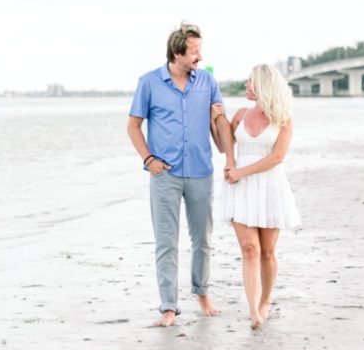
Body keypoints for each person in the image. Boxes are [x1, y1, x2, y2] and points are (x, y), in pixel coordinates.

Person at [127, 22, 232, 327]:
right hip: (165, 176)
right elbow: (133, 126)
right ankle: (169, 307)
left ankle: (202, 293)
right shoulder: (148, 83)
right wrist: (148, 159)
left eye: (200, 50)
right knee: (166, 242)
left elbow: (221, 136)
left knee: (202, 239)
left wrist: (222, 122)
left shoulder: (208, 82)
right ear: (177, 53)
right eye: (195, 52)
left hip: (201, 172)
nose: (200, 56)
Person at [217, 63, 301, 330]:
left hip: (269, 188)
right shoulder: (240, 115)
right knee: (249, 249)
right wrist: (215, 120)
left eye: (250, 82)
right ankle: (253, 309)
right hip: (240, 188)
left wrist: (243, 170)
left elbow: (277, 157)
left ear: (263, 85)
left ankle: (266, 299)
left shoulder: (283, 119)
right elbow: (223, 145)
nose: (246, 86)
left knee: (267, 251)